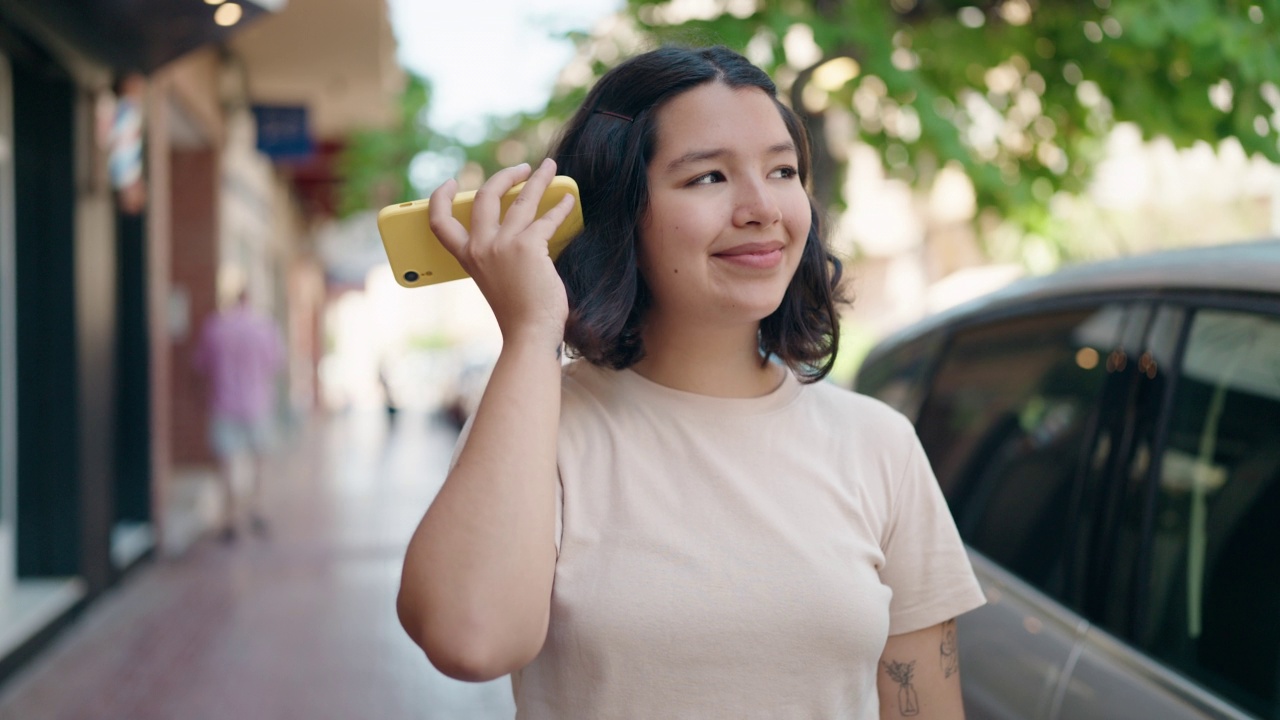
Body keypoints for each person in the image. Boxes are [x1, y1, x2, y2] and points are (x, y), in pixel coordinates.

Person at [397, 45, 985, 718]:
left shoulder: (880, 444)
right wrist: (531, 329)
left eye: (783, 170)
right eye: (709, 177)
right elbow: (470, 639)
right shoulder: (541, 426)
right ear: (621, 212)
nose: (763, 206)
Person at [193, 288, 285, 542]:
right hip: (257, 404)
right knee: (259, 461)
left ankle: (230, 517)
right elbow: (276, 364)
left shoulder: (216, 326)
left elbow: (201, 364)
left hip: (224, 403)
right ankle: (257, 509)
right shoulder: (265, 327)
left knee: (227, 463)